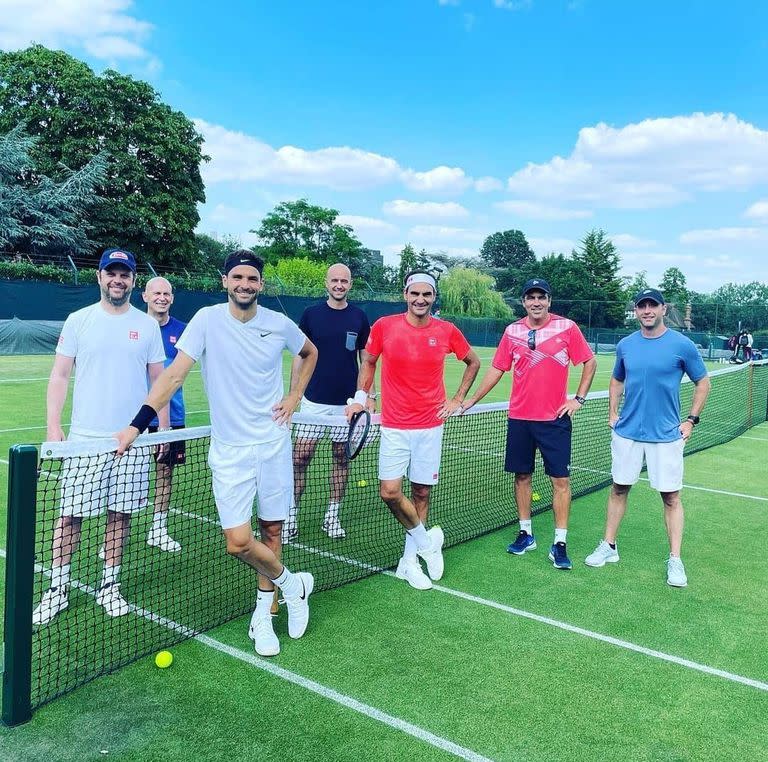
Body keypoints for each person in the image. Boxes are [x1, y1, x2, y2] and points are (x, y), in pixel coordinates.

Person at [116, 250, 318, 657]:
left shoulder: (278, 324)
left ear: (261, 284)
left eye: (252, 279)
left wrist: (295, 396)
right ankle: (293, 584)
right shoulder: (206, 321)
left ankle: (264, 616)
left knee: (272, 531)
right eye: (237, 277)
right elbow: (174, 375)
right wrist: (138, 423)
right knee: (238, 541)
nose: (245, 284)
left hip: (273, 442)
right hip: (229, 450)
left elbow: (308, 352)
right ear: (225, 281)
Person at [33, 248, 169, 626]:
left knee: (120, 515)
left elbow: (159, 382)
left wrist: (163, 431)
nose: (118, 280)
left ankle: (109, 585)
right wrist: (53, 426)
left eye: (124, 274)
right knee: (69, 517)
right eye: (112, 273)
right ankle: (57, 588)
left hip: (133, 442)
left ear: (133, 280)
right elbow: (60, 375)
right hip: (86, 440)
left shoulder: (147, 326)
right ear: (99, 277)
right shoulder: (79, 320)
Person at [345, 271, 481, 590]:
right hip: (394, 426)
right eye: (415, 293)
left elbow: (473, 362)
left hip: (431, 426)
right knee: (389, 492)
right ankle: (426, 543)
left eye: (427, 294)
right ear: (405, 294)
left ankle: (409, 562)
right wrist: (362, 398)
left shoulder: (447, 330)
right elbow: (369, 362)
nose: (420, 299)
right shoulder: (384, 326)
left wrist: (458, 399)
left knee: (421, 492)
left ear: (434, 297)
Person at [462, 278, 596, 571]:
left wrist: (579, 399)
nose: (536, 302)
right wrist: (472, 400)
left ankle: (559, 542)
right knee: (522, 477)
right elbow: (497, 369)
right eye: (530, 297)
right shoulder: (512, 331)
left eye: (541, 297)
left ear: (549, 301)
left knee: (560, 481)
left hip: (555, 420)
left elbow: (589, 361)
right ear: (523, 302)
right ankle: (526, 533)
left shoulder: (567, 327)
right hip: (520, 418)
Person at [584, 288, 711, 587]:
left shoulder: (682, 345)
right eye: (642, 306)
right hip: (627, 433)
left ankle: (675, 560)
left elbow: (702, 383)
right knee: (618, 489)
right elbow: (617, 379)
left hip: (666, 436)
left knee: (671, 497)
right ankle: (609, 546)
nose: (647, 310)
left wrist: (691, 420)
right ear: (637, 310)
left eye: (652, 305)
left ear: (663, 309)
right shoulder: (626, 345)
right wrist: (612, 412)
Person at [287, 263, 372, 542]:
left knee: (340, 458)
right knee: (300, 458)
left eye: (344, 281)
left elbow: (366, 362)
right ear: (326, 283)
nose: (339, 285)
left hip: (346, 406)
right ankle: (290, 515)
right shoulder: (311, 315)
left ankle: (332, 516)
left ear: (350, 284)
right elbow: (300, 357)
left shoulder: (359, 317)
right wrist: (293, 396)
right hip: (313, 402)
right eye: (334, 280)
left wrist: (366, 397)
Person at [143, 276, 187, 552]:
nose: (162, 297)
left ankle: (158, 529)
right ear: (145, 296)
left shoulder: (184, 331)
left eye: (167, 293)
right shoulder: (133, 326)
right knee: (126, 475)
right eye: (156, 293)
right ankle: (112, 537)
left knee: (164, 472)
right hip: (135, 417)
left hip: (173, 416)